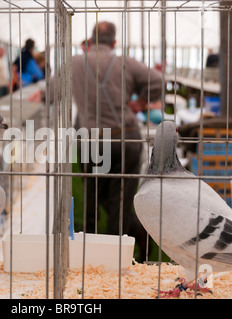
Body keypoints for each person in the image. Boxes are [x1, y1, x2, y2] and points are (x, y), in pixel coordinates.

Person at [29, 21, 163, 261]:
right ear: (113, 42)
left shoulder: (74, 63)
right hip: (125, 137)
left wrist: (39, 96)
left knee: (92, 197)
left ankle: (88, 255)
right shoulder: (125, 63)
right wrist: (141, 103)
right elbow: (158, 81)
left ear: (90, 41)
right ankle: (118, 258)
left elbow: (50, 93)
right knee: (120, 199)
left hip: (91, 140)